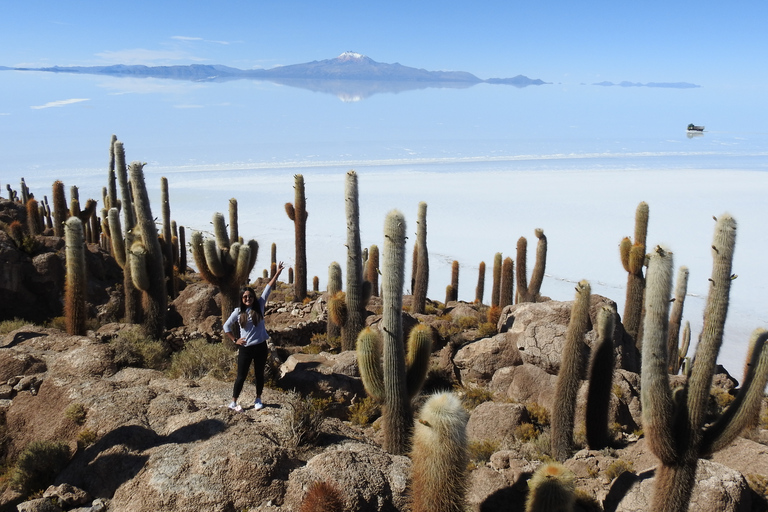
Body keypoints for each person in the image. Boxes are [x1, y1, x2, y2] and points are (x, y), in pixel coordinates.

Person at [224, 261, 285, 411]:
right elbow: (226, 326)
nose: (248, 299)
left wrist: (277, 273)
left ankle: (258, 399)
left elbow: (268, 288)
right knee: (241, 376)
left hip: (260, 347)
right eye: (245, 297)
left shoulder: (260, 305)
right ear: (241, 298)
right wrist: (234, 340)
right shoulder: (238, 312)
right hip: (245, 348)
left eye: (250, 296)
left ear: (253, 297)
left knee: (259, 374)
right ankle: (233, 401)